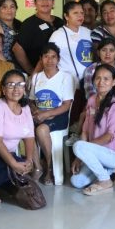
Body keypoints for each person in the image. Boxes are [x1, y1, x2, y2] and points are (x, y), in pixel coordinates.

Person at [71, 64, 115, 195]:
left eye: (106, 79)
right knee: (76, 181)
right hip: (97, 153)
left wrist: (84, 148)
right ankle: (109, 171)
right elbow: (85, 131)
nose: (101, 82)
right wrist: (79, 157)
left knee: (78, 146)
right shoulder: (92, 100)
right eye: (98, 78)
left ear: (114, 82)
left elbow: (110, 136)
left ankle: (105, 180)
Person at [0, 70, 36, 204]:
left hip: (8, 153)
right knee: (12, 167)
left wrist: (29, 160)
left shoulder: (25, 108)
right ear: (3, 89)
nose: (16, 89)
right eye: (11, 85)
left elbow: (29, 136)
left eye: (20, 84)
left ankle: (2, 181)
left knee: (21, 166)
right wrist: (14, 164)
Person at [29, 43, 75, 185]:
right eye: (46, 56)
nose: (50, 60)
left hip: (59, 115)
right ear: (41, 59)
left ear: (58, 59)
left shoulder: (65, 77)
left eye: (53, 57)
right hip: (39, 114)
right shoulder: (37, 77)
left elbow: (66, 105)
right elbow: (31, 101)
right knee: (24, 129)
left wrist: (46, 114)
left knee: (41, 130)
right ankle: (37, 166)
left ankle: (49, 168)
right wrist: (35, 111)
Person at [13, 0, 64, 75]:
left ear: (53, 2)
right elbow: (17, 49)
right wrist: (31, 71)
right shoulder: (29, 23)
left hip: (59, 71)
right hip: (39, 73)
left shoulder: (60, 22)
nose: (44, 2)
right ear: (35, 3)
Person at [49, 1, 94, 88]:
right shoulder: (57, 35)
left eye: (82, 13)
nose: (80, 16)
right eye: (75, 13)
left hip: (89, 83)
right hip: (66, 84)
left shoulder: (88, 32)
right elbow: (50, 58)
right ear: (66, 16)